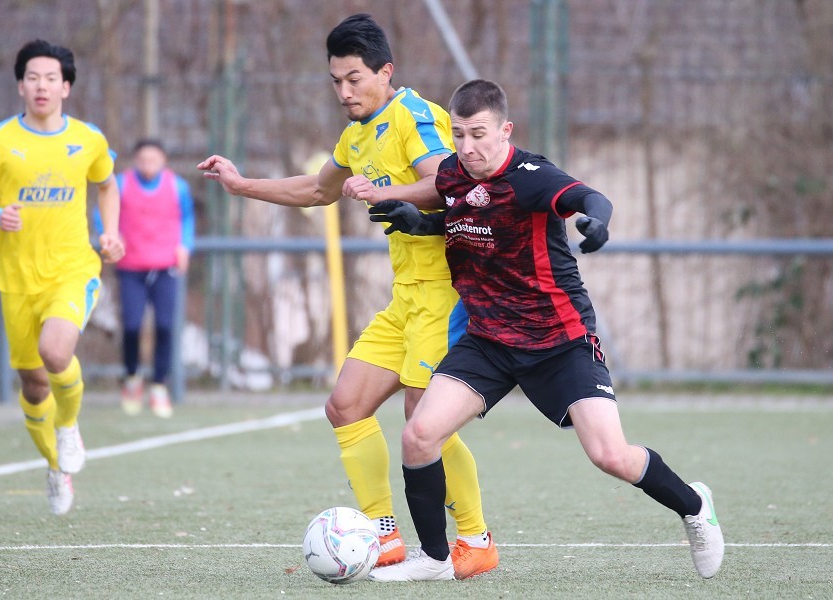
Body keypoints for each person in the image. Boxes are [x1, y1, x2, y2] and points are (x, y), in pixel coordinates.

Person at [364, 79, 724, 581]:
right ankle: (435, 559)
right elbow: (466, 222)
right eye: (458, 134)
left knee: (610, 455)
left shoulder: (531, 176)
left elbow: (589, 196)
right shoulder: (451, 174)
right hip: (489, 339)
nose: (467, 147)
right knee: (419, 435)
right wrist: (419, 223)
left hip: (559, 341)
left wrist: (596, 222)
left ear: (505, 130)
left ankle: (693, 505)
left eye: (479, 134)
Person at [198, 14, 498, 578]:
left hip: (447, 292)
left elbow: (446, 183)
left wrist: (385, 189)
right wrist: (241, 185)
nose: (344, 91)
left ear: (386, 72)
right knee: (345, 406)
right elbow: (317, 188)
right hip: (405, 296)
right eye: (336, 80)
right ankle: (382, 535)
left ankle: (475, 539)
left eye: (354, 78)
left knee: (421, 416)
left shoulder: (413, 115)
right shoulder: (356, 134)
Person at [0, 39, 124, 516]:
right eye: (33, 77)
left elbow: (107, 183)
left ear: (66, 87)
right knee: (33, 385)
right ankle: (56, 465)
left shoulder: (88, 139)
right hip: (16, 280)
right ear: (20, 85)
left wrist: (110, 233)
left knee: (56, 353)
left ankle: (68, 426)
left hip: (72, 269)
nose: (42, 86)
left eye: (51, 78)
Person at [113, 139, 195, 418]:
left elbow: (187, 218)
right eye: (143, 159)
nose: (148, 165)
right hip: (131, 265)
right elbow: (104, 214)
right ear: (136, 161)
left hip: (164, 266)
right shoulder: (120, 184)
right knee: (133, 325)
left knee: (165, 325)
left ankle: (159, 384)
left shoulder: (177, 186)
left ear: (163, 161)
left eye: (154, 160)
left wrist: (184, 246)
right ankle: (132, 377)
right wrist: (111, 236)